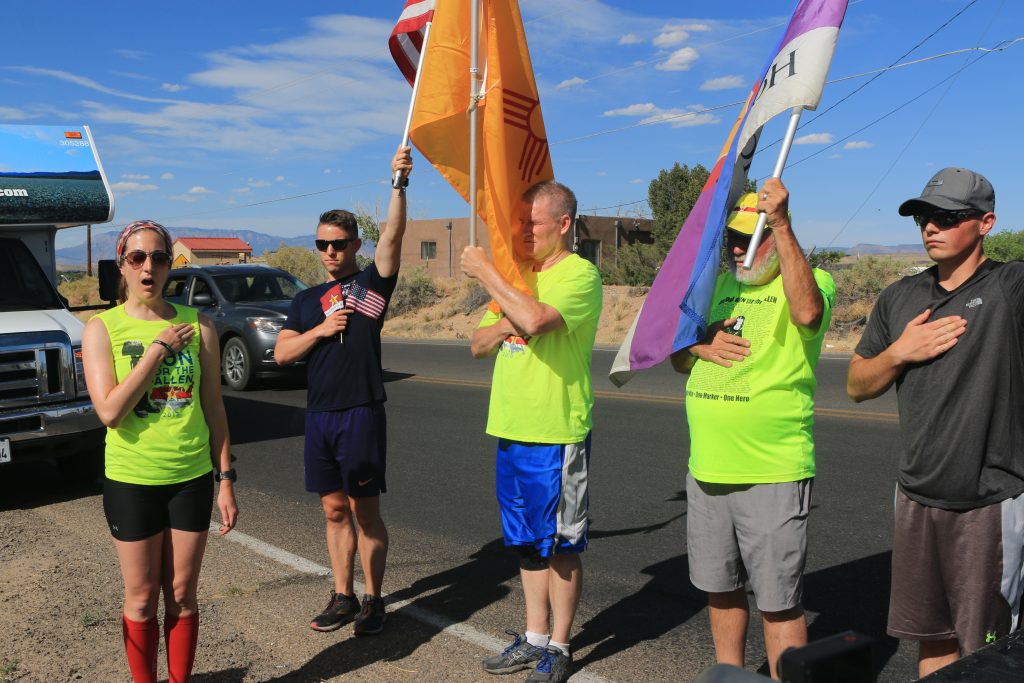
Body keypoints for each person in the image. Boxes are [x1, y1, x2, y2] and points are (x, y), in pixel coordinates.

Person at [847, 167, 1024, 677]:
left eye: (947, 217)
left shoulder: (1010, 286)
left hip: (987, 503)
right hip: (915, 498)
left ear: (986, 223)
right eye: (924, 217)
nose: (931, 227)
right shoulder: (898, 297)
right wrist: (899, 352)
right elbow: (858, 384)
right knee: (932, 641)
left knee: (991, 655)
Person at [670, 180, 834, 679]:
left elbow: (808, 314)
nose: (739, 249)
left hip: (771, 471)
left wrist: (779, 222)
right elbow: (677, 356)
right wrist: (698, 346)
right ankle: (731, 676)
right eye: (733, 239)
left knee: (778, 601)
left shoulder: (812, 281)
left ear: (777, 235)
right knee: (720, 590)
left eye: (752, 237)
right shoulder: (718, 288)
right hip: (707, 469)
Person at [82, 220, 238, 683]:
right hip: (131, 480)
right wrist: (155, 352)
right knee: (141, 597)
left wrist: (226, 479)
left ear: (171, 264)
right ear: (122, 266)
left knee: (183, 594)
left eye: (159, 257)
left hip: (190, 478)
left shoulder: (199, 325)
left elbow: (214, 407)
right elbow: (110, 412)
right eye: (137, 258)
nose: (148, 267)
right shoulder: (101, 328)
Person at [462, 180, 602, 683]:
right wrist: (506, 321)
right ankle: (534, 636)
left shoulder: (579, 274)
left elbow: (538, 320)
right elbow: (478, 344)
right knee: (525, 542)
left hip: (556, 433)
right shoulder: (518, 279)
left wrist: (487, 275)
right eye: (520, 223)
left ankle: (560, 647)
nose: (524, 231)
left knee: (560, 545)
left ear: (563, 224)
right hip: (512, 429)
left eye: (533, 223)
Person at [274, 146, 412, 636]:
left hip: (361, 412)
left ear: (354, 244)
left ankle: (373, 599)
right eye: (321, 244)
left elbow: (392, 235)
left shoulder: (373, 286)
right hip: (320, 416)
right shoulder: (306, 301)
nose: (329, 252)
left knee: (364, 510)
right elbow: (283, 353)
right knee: (333, 510)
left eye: (337, 244)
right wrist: (320, 330)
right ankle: (343, 596)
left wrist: (398, 184)